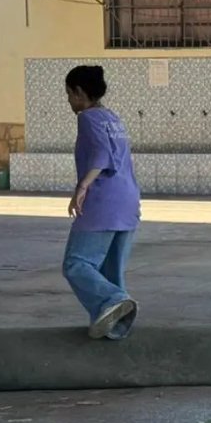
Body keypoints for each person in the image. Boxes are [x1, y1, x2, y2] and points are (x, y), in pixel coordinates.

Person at [61, 65, 141, 340]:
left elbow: (101, 155)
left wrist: (82, 186)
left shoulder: (88, 117)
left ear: (79, 92)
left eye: (69, 94)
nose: (69, 101)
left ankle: (113, 301)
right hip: (127, 201)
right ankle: (115, 329)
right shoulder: (112, 118)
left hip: (103, 202)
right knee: (110, 273)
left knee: (76, 263)